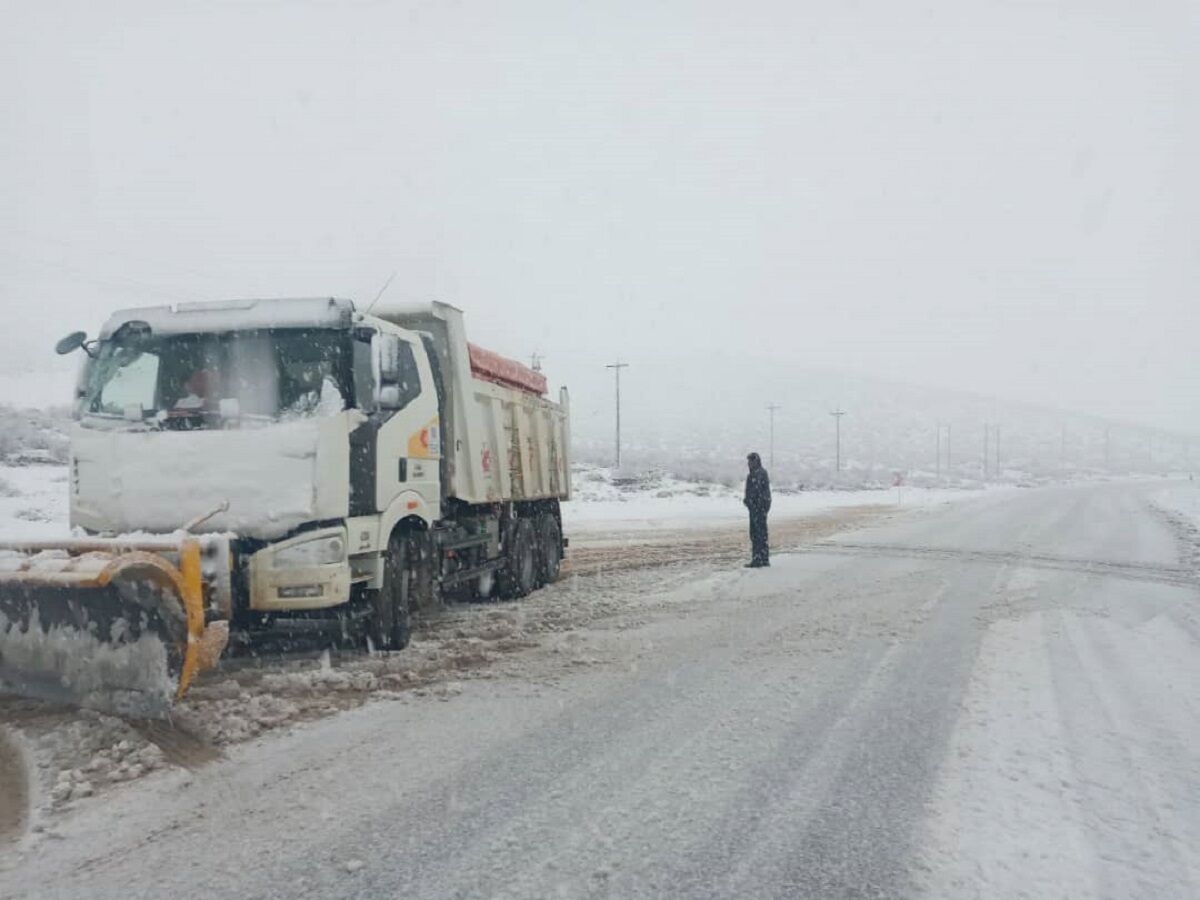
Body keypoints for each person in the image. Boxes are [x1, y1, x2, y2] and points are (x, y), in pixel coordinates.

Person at [743, 452, 771, 567]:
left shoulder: (758, 474)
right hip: (759, 507)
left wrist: (751, 502)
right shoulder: (758, 473)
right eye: (748, 461)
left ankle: (758, 559)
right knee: (761, 533)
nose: (748, 464)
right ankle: (763, 558)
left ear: (756, 461)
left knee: (756, 533)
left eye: (750, 461)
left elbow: (756, 491)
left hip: (758, 508)